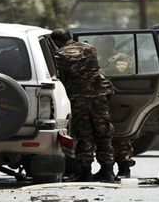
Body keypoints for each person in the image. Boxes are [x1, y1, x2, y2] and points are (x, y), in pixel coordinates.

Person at [52, 28, 115, 183]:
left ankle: (85, 172)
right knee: (104, 134)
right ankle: (107, 172)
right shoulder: (89, 48)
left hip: (79, 98)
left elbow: (61, 78)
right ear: (71, 37)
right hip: (99, 96)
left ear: (57, 42)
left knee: (84, 135)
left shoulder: (59, 55)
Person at [95, 35, 136, 179]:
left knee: (120, 136)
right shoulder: (101, 60)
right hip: (103, 101)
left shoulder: (122, 58)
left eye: (100, 43)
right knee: (105, 136)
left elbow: (116, 72)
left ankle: (124, 168)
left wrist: (92, 73)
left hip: (120, 100)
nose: (97, 47)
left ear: (110, 43)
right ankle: (106, 168)